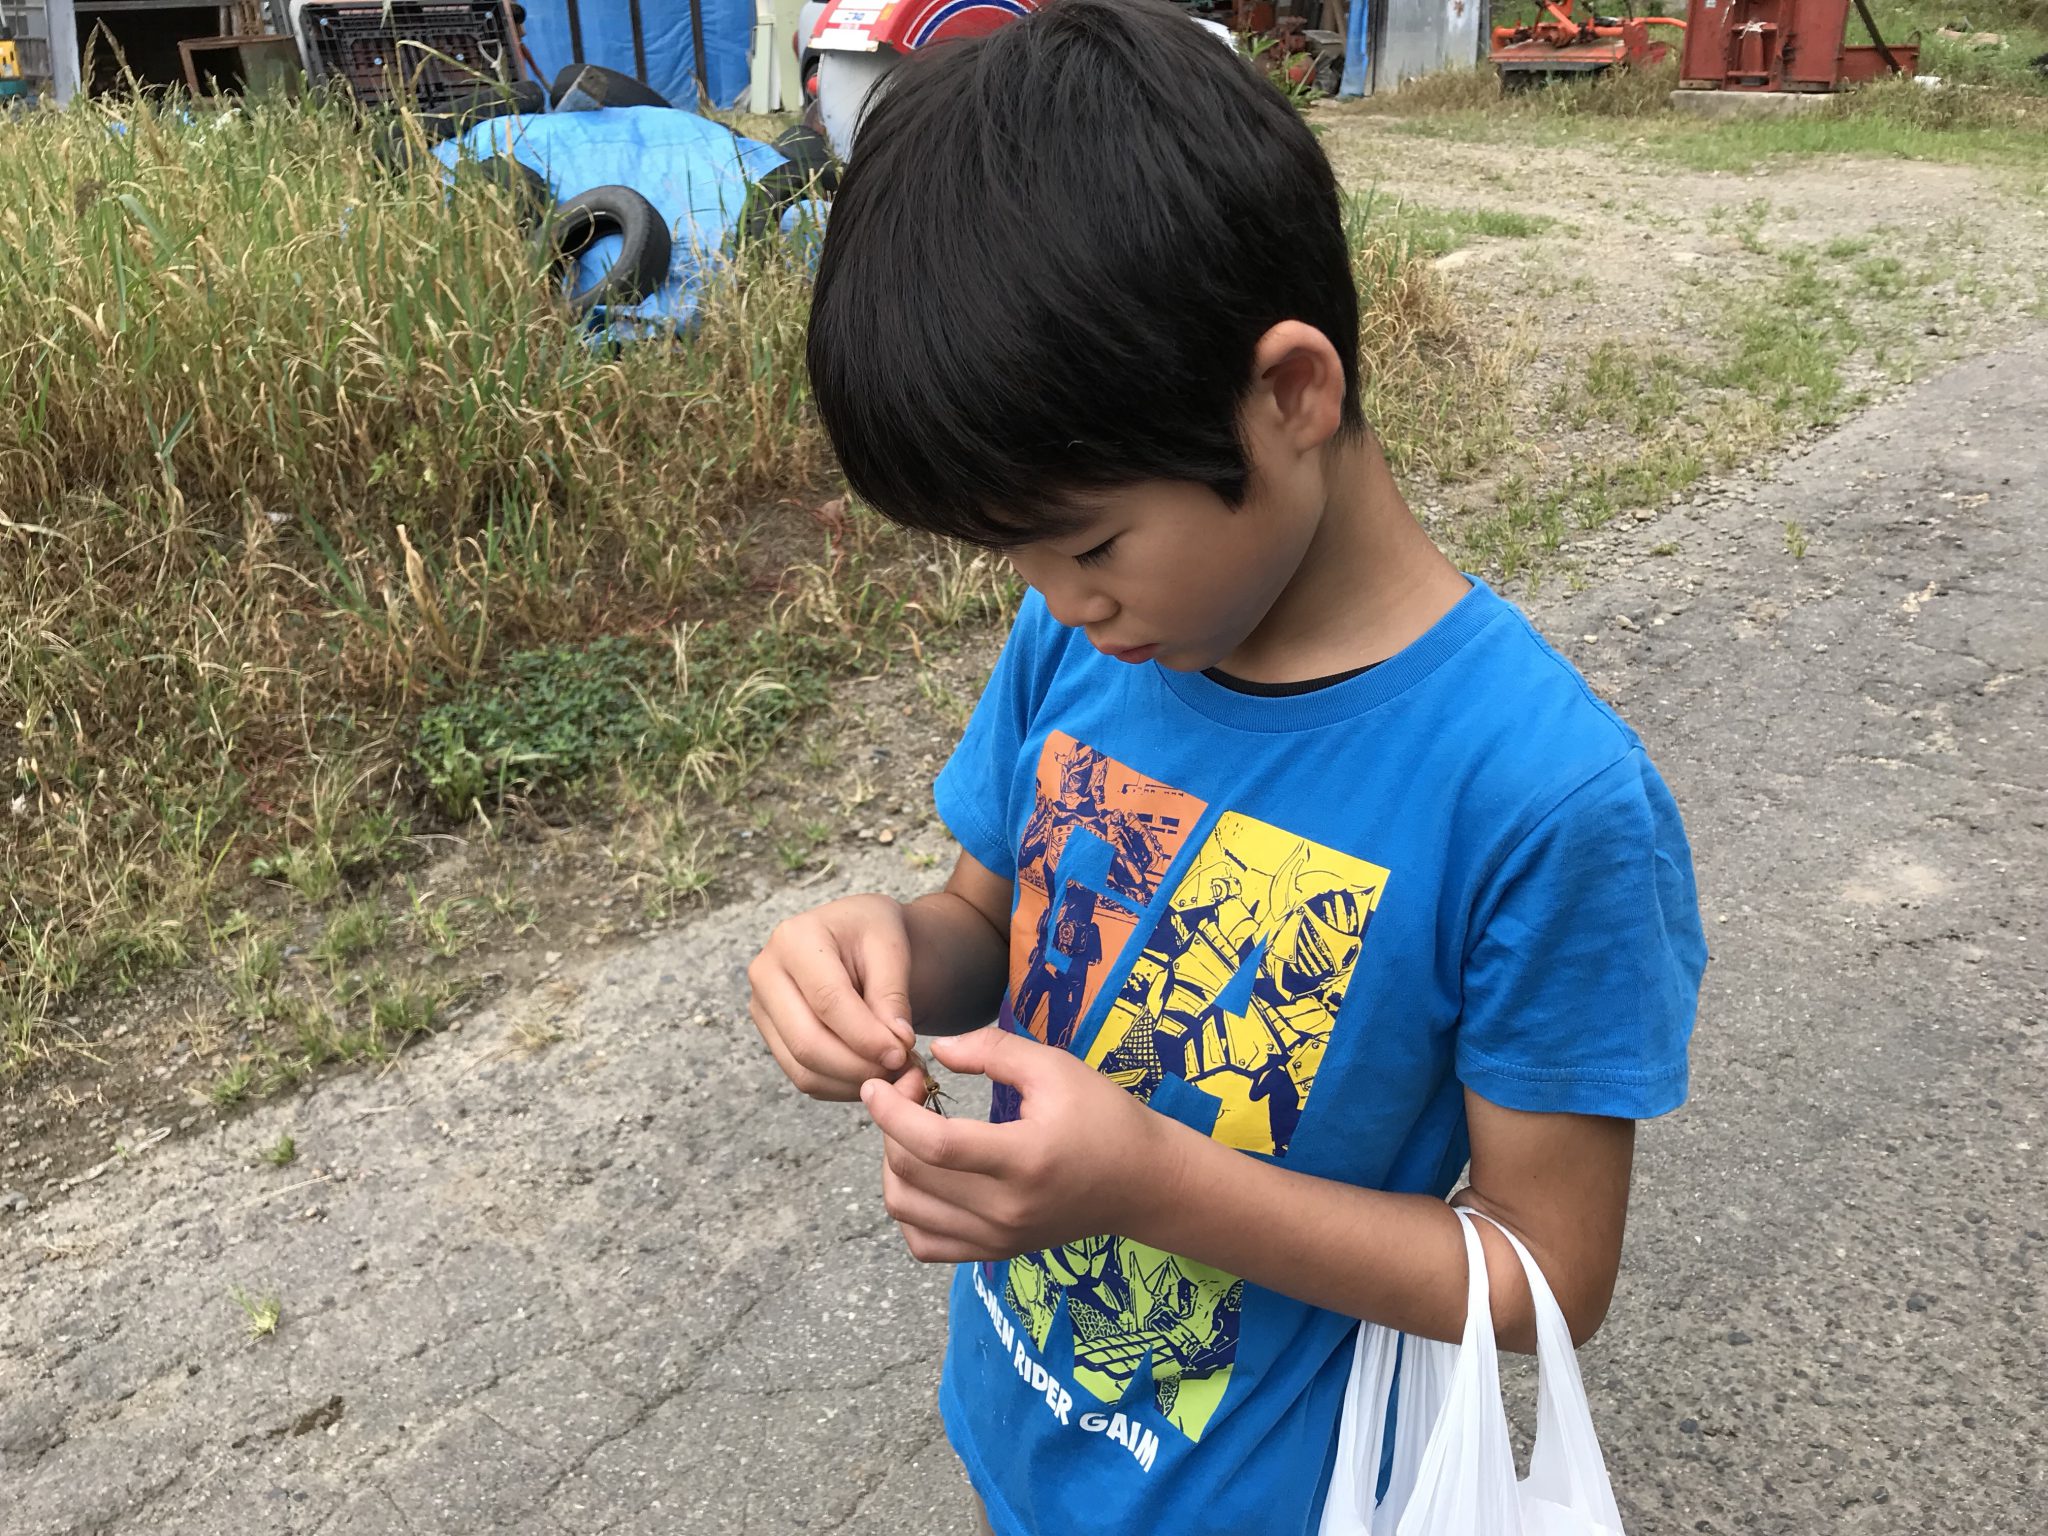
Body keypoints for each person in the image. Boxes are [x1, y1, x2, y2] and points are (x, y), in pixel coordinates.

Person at [746, 2, 1708, 1531]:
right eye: (1015, 557)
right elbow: (991, 922)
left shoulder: (1537, 799)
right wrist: (882, 953)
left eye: (1088, 543)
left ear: (1292, 396)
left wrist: (1154, 1185)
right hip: (1027, 1428)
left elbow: (1548, 1276)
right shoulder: (1087, 641)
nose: (1058, 601)